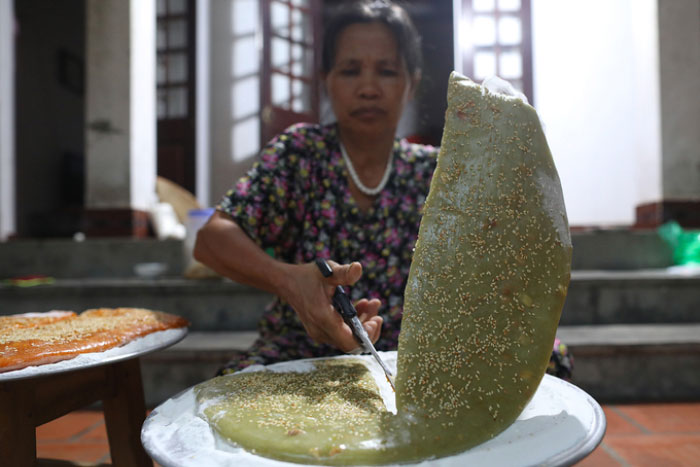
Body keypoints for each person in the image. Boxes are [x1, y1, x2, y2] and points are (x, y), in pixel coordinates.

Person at [194, 0, 574, 379]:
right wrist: (289, 280)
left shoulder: (437, 170)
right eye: (350, 70)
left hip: (421, 352)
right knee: (238, 379)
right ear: (326, 80)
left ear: (412, 84)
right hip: (303, 348)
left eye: (387, 71)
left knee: (548, 358)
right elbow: (211, 240)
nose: (369, 88)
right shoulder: (300, 155)